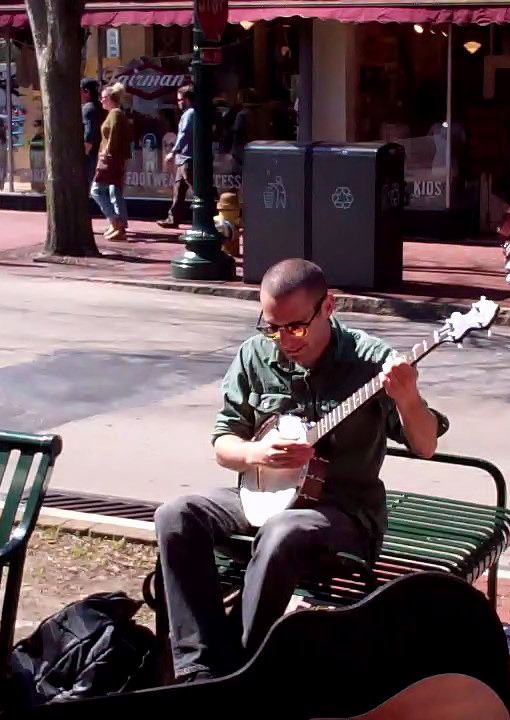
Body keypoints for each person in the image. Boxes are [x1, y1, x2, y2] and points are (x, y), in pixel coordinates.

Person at [153, 258, 448, 683]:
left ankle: (241, 672)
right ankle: (200, 668)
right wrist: (257, 454)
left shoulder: (371, 362)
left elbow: (425, 444)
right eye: (271, 327)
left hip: (343, 512)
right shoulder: (255, 355)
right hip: (263, 495)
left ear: (328, 306)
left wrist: (408, 398)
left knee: (282, 533)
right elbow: (224, 444)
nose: (283, 341)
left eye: (294, 327)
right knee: (176, 515)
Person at [92, 82, 132, 241]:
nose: (101, 101)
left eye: (102, 98)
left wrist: (107, 153)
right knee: (113, 190)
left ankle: (115, 222)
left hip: (110, 160)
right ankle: (118, 226)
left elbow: (114, 136)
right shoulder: (115, 114)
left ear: (110, 98)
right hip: (113, 159)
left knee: (96, 190)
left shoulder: (115, 114)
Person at [158, 84, 195, 229]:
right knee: (178, 189)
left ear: (187, 99)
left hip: (187, 157)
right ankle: (173, 218)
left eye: (180, 100)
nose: (178, 103)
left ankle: (209, 216)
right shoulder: (189, 113)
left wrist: (172, 152)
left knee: (195, 187)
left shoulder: (190, 114)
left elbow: (184, 134)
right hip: (183, 157)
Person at [81, 78, 103, 191]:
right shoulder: (100, 107)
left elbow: (89, 135)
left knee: (91, 188)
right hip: (100, 153)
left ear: (86, 92)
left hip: (91, 156)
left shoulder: (88, 109)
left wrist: (82, 156)